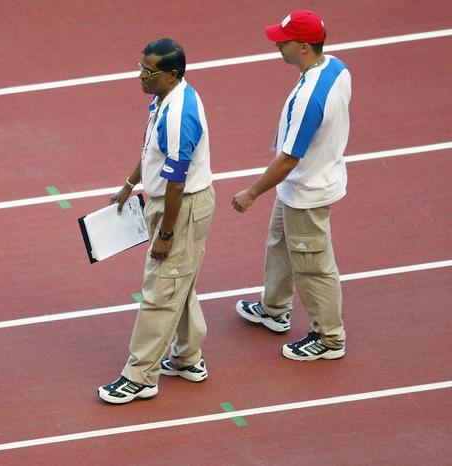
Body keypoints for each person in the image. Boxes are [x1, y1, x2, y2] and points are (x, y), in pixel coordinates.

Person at [98, 39, 216, 404]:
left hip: (180, 206)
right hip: (171, 201)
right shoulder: (164, 99)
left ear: (171, 74)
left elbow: (177, 180)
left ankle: (140, 375)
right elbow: (152, 151)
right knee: (179, 284)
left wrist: (166, 232)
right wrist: (129, 185)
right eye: (140, 67)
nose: (140, 76)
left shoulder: (179, 115)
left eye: (148, 72)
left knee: (160, 291)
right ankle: (186, 357)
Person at [231, 10, 351, 361]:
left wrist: (251, 193)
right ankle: (274, 308)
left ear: (302, 46)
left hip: (307, 192)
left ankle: (330, 338)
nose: (277, 46)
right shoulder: (337, 68)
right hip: (301, 185)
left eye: (282, 42)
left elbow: (288, 159)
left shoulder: (309, 98)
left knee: (314, 267)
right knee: (281, 245)